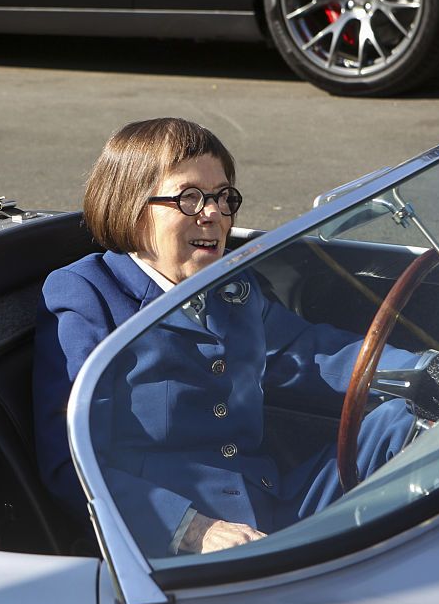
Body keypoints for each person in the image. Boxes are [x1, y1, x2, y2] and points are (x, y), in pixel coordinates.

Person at [33, 118, 417, 557]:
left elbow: (307, 352)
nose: (213, 213)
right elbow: (73, 458)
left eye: (222, 197)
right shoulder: (87, 293)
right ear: (132, 206)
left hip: (275, 507)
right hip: (174, 546)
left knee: (404, 422)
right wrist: (191, 529)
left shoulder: (231, 285)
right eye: (190, 197)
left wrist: (430, 371)